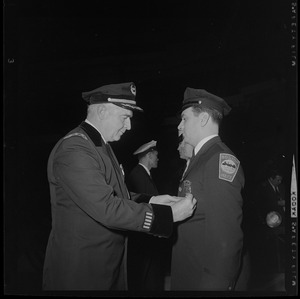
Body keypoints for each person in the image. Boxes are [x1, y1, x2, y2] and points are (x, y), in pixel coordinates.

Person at [42, 82, 197, 291]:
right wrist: (165, 215)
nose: (129, 126)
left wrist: (151, 200)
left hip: (105, 267)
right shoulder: (74, 149)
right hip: (82, 273)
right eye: (125, 117)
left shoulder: (100, 146)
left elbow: (115, 195)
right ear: (102, 111)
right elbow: (106, 207)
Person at [171, 87, 245, 291]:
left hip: (204, 280)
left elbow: (226, 237)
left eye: (184, 119)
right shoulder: (201, 158)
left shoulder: (218, 159)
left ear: (203, 119)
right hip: (190, 271)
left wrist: (216, 283)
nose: (179, 125)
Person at [126, 140, 166, 291]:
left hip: (147, 236)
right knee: (143, 280)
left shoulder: (143, 175)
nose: (158, 158)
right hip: (144, 237)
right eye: (156, 155)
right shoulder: (138, 176)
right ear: (149, 156)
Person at [251, 167, 286, 274]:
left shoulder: (282, 186)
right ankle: (273, 268)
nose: (280, 182)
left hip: (282, 221)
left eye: (281, 180)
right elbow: (260, 206)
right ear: (271, 178)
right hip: (268, 223)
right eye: (278, 180)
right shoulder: (262, 188)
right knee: (272, 248)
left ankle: (283, 265)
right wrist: (277, 204)